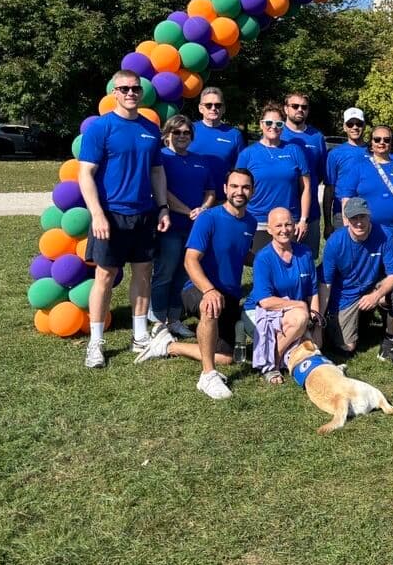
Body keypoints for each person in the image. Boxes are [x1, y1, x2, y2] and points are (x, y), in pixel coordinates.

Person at [134, 169, 257, 400]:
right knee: (210, 306)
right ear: (225, 189)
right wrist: (208, 290)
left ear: (252, 191)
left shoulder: (250, 221)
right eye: (235, 186)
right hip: (196, 288)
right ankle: (208, 376)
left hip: (229, 295)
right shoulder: (209, 218)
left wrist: (264, 260)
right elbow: (190, 259)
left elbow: (241, 252)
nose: (239, 192)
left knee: (227, 357)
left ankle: (168, 346)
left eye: (245, 187)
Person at [78, 69, 170, 368]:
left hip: (144, 214)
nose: (131, 93)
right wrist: (97, 215)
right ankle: (96, 342)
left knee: (143, 273)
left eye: (135, 89)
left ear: (141, 93)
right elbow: (85, 174)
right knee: (104, 276)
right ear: (114, 93)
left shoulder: (150, 128)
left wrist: (163, 207)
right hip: (111, 216)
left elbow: (157, 171)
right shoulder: (100, 128)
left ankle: (140, 335)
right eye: (125, 89)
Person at [319, 197, 393, 368]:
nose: (359, 222)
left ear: (369, 216)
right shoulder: (335, 242)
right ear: (346, 219)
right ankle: (341, 325)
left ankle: (388, 345)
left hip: (371, 287)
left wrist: (376, 296)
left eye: (362, 217)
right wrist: (320, 317)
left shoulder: (384, 234)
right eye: (354, 218)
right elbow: (326, 284)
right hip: (344, 293)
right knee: (347, 348)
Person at [149, 115, 215, 339]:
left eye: (186, 133)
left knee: (182, 274)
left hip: (194, 228)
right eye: (176, 132)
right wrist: (187, 210)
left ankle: (174, 319)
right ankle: (158, 320)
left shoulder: (200, 160)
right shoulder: (162, 158)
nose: (182, 136)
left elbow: (210, 192)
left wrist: (203, 209)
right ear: (167, 135)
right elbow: (162, 190)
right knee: (165, 272)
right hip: (170, 225)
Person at [243, 207, 318, 384]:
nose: (284, 230)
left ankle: (285, 354)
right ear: (269, 229)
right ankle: (271, 363)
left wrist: (318, 324)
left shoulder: (305, 253)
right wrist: (300, 306)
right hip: (261, 311)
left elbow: (313, 291)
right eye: (278, 226)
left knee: (313, 347)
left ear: (294, 226)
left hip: (291, 311)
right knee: (300, 318)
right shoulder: (263, 258)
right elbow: (265, 301)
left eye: (288, 224)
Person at [235, 103, 310, 253]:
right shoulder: (248, 154)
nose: (273, 127)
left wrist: (303, 220)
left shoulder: (294, 151)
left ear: (283, 126)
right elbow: (238, 188)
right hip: (257, 221)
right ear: (261, 125)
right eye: (269, 122)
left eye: (278, 123)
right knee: (260, 267)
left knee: (288, 265)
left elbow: (306, 188)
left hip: (287, 223)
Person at [337, 125, 393, 259]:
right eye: (377, 139)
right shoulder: (359, 168)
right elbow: (347, 198)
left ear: (391, 143)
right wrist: (348, 227)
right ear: (371, 143)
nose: (382, 142)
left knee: (392, 276)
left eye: (386, 140)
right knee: (367, 277)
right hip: (366, 233)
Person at [281, 91, 326, 256]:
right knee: (280, 258)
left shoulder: (317, 137)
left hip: (311, 211)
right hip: (282, 209)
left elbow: (320, 174)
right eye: (295, 106)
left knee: (307, 258)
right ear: (286, 109)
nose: (299, 110)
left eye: (304, 107)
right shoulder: (277, 133)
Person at [188, 86, 245, 190]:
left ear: (223, 109)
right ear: (201, 108)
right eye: (208, 105)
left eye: (218, 105)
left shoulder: (234, 135)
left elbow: (240, 170)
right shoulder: (188, 130)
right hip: (189, 196)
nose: (213, 108)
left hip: (221, 198)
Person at [324, 107, 368, 237]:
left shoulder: (373, 151)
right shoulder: (335, 154)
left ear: (364, 126)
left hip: (368, 210)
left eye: (358, 124)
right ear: (344, 127)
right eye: (350, 124)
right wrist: (327, 223)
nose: (355, 127)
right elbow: (329, 188)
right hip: (342, 212)